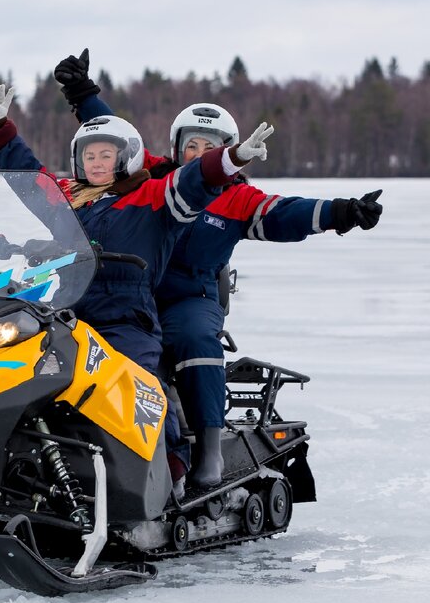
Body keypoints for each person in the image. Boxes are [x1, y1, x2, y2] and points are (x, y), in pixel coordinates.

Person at [55, 51, 385, 487]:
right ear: (176, 147)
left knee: (191, 337)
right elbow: (114, 139)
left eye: (210, 147)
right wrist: (82, 93)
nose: (199, 153)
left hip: (190, 295)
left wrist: (341, 212)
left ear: (227, 150)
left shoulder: (236, 197)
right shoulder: (156, 178)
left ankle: (207, 451)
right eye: (191, 144)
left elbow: (285, 213)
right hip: (134, 292)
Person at [0, 83, 274, 493]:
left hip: (126, 312)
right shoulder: (70, 197)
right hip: (70, 308)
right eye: (89, 155)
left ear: (126, 158)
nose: (97, 162)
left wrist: (232, 159)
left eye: (107, 155)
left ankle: (170, 464)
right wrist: (1, 133)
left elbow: (194, 182)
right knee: (34, 370)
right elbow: (31, 181)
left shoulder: (151, 195)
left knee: (139, 381)